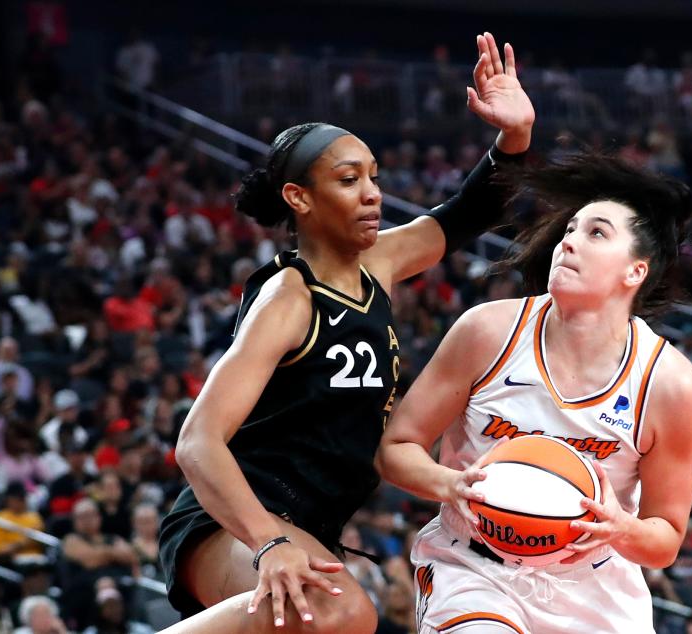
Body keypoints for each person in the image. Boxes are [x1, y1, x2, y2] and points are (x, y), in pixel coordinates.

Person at [158, 32, 535, 634]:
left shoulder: (379, 262)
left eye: (374, 177)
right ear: (298, 198)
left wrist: (513, 137)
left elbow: (467, 212)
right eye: (349, 180)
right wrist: (266, 543)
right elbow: (197, 441)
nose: (373, 194)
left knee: (349, 617)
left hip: (307, 522)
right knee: (339, 610)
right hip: (232, 521)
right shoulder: (289, 297)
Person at [377, 150, 692, 631]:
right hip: (476, 569)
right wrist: (451, 484)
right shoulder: (487, 332)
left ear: (635, 271)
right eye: (570, 230)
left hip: (596, 592)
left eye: (596, 233)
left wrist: (622, 527)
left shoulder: (670, 384)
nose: (569, 242)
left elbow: (666, 537)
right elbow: (395, 449)